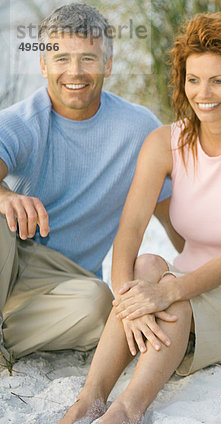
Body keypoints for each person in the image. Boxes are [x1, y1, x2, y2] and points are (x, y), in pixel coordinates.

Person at [61, 11, 221, 424]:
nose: (203, 93)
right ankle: (89, 399)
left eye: (218, 80)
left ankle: (126, 411)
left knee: (173, 298)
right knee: (146, 266)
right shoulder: (163, 142)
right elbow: (130, 231)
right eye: (193, 79)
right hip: (185, 278)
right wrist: (127, 298)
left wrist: (167, 293)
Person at [0, 3, 172, 366]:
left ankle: (6, 338)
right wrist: (5, 195)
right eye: (61, 58)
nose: (74, 72)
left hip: (64, 283)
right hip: (11, 255)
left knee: (99, 305)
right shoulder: (21, 122)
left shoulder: (139, 129)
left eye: (88, 59)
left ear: (107, 65)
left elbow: (174, 216)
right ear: (43, 65)